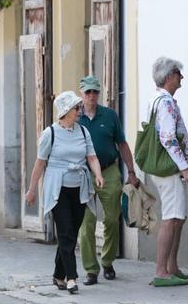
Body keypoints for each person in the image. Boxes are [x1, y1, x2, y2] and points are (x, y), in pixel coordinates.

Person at [25, 91, 105, 295]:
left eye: (79, 107)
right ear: (65, 111)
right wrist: (32, 189)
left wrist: (98, 175)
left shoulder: (83, 132)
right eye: (76, 108)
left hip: (79, 188)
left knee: (69, 234)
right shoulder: (50, 133)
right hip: (57, 190)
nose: (80, 111)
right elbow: (40, 163)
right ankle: (71, 277)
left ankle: (58, 275)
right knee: (66, 232)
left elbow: (92, 157)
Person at [77, 75, 140, 285]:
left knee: (112, 219)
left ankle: (108, 261)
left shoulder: (110, 116)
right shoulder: (74, 117)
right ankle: (91, 270)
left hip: (109, 170)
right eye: (88, 92)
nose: (92, 96)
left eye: (95, 92)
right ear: (81, 94)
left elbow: (122, 144)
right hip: (84, 174)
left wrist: (131, 172)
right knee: (87, 224)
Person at [148, 57, 188, 287]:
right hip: (169, 169)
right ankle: (162, 271)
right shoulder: (166, 103)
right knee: (171, 219)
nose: (182, 77)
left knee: (177, 218)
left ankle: (171, 266)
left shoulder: (158, 100)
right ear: (169, 76)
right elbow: (168, 138)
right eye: (178, 73)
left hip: (165, 169)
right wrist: (186, 168)